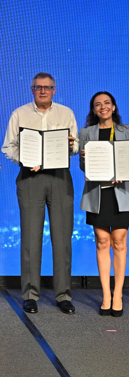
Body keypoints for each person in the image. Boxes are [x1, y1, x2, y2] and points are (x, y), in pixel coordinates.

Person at [2, 73, 78, 314]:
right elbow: (8, 147)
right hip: (30, 178)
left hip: (59, 178)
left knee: (63, 238)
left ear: (54, 90)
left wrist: (71, 145)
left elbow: (75, 146)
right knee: (31, 238)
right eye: (38, 87)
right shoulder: (19, 113)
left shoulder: (66, 113)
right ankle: (30, 294)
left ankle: (63, 294)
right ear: (31, 89)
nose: (43, 91)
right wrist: (24, 159)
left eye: (47, 88)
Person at [79, 92, 129, 317]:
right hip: (97, 193)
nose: (103, 107)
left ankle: (118, 294)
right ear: (93, 109)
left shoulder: (126, 131)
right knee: (101, 241)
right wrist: (84, 159)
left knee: (118, 241)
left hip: (121, 193)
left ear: (114, 106)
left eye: (106, 103)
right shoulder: (86, 133)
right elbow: (83, 168)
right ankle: (106, 294)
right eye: (98, 104)